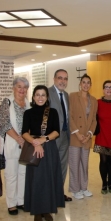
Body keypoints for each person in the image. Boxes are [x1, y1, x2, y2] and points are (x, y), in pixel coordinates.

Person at [22, 85, 65, 221]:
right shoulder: (28, 113)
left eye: (43, 95)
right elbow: (24, 132)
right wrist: (36, 142)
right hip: (34, 149)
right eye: (37, 95)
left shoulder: (52, 112)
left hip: (49, 148)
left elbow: (56, 131)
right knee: (36, 180)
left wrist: (43, 139)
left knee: (49, 179)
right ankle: (37, 211)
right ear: (33, 97)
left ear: (47, 98)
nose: (40, 97)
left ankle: (47, 209)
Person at [0, 77, 30, 215]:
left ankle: (21, 201)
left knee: (23, 173)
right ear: (13, 87)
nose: (22, 90)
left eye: (24, 87)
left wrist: (25, 139)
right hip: (12, 143)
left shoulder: (28, 104)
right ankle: (11, 204)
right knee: (11, 175)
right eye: (19, 86)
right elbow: (4, 123)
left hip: (25, 145)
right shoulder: (7, 102)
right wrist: (18, 138)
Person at [68, 74, 98, 199]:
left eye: (88, 83)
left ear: (90, 85)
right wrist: (77, 133)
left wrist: (89, 134)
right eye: (84, 82)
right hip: (75, 136)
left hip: (86, 137)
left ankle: (84, 187)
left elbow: (94, 120)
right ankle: (75, 189)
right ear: (80, 84)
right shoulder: (73, 96)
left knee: (84, 164)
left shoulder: (94, 100)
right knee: (74, 164)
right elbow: (69, 116)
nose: (86, 85)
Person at [48, 69, 72, 202]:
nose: (63, 81)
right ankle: (50, 194)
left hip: (64, 136)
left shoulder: (66, 95)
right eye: (60, 78)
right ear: (54, 79)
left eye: (65, 79)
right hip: (52, 137)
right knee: (51, 166)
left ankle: (59, 193)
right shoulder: (47, 93)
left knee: (63, 166)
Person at [93, 80, 111, 194]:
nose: (108, 89)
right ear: (103, 89)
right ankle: (104, 183)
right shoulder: (97, 102)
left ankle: (110, 184)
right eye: (106, 87)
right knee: (103, 161)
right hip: (102, 135)